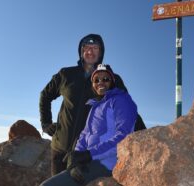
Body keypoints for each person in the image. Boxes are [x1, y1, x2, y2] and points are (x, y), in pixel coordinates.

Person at [38, 64, 137, 186]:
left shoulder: (121, 101)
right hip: (91, 161)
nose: (101, 82)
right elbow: (84, 135)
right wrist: (76, 155)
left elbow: (123, 136)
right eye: (96, 79)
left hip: (106, 163)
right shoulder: (95, 106)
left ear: (112, 82)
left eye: (105, 79)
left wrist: (89, 155)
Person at [39, 34, 128, 176]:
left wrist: (140, 136)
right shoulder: (66, 74)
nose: (90, 51)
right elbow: (45, 95)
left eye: (95, 48)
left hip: (89, 153)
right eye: (86, 48)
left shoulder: (111, 79)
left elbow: (125, 110)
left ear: (101, 52)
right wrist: (46, 123)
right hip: (60, 149)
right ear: (81, 51)